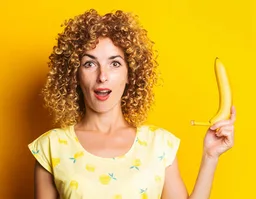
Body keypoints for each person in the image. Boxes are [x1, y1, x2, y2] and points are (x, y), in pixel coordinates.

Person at [27, 9, 236, 199]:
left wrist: (210, 156)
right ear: (75, 74)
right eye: (90, 63)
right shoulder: (51, 148)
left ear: (130, 74)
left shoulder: (158, 145)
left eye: (115, 63)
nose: (102, 76)